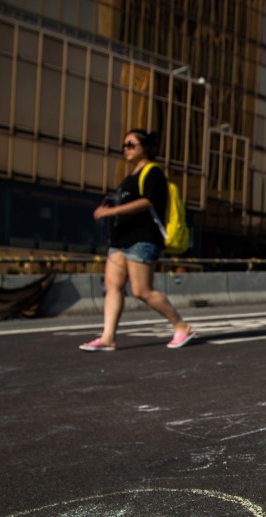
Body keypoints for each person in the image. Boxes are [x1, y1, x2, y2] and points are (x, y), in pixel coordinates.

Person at [79, 129, 195, 351]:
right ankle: (107, 337)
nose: (126, 149)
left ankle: (181, 326)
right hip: (121, 239)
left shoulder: (153, 172)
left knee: (142, 290)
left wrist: (113, 212)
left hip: (142, 239)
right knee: (112, 286)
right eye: (124, 145)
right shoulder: (129, 178)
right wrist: (110, 208)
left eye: (132, 144)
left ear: (146, 148)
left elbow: (148, 202)